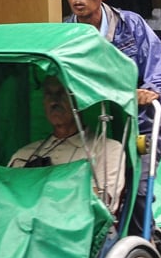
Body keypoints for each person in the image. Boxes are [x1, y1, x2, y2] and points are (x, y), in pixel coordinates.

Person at [61, 0, 161, 134]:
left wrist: (149, 91)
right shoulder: (63, 35)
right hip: (83, 129)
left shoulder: (132, 26)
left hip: (136, 125)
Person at [8, 75, 126, 211]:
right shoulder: (24, 154)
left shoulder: (107, 149)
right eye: (48, 94)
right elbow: (7, 199)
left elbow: (101, 202)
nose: (54, 102)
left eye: (62, 93)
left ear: (80, 99)